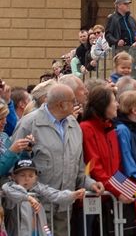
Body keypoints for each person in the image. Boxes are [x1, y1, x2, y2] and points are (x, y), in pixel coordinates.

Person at [12, 84, 97, 236]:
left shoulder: (74, 125)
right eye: (73, 101)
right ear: (61, 104)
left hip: (64, 208)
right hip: (36, 207)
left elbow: (78, 167)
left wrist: (90, 183)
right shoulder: (29, 123)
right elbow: (14, 165)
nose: (77, 104)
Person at [2, 159, 84, 236]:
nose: (27, 179)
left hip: (37, 231)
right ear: (14, 176)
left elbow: (54, 194)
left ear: (36, 178)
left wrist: (72, 195)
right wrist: (28, 198)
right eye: (22, 175)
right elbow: (6, 188)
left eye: (31, 176)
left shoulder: (37, 187)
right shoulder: (11, 187)